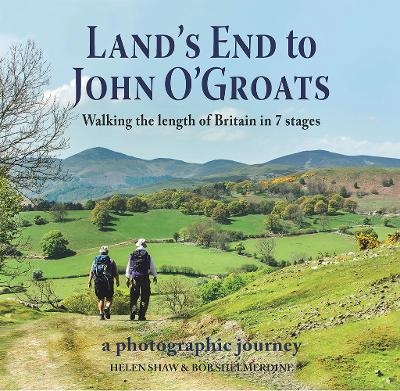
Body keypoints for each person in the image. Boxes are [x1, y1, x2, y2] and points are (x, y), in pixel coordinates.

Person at [125, 238, 157, 321]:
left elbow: (129, 266)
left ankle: (133, 312)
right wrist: (155, 276)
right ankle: (141, 315)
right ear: (144, 244)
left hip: (135, 277)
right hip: (145, 277)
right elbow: (152, 266)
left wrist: (127, 277)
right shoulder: (147, 254)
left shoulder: (133, 254)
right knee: (145, 296)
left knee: (134, 296)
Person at [88, 246, 120, 320]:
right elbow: (116, 273)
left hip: (98, 281)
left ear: (100, 252)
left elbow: (92, 272)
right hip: (109, 282)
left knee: (100, 299)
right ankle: (107, 307)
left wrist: (89, 282)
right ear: (107, 252)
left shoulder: (95, 261)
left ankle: (101, 314)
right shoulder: (111, 261)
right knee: (109, 298)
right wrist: (117, 281)